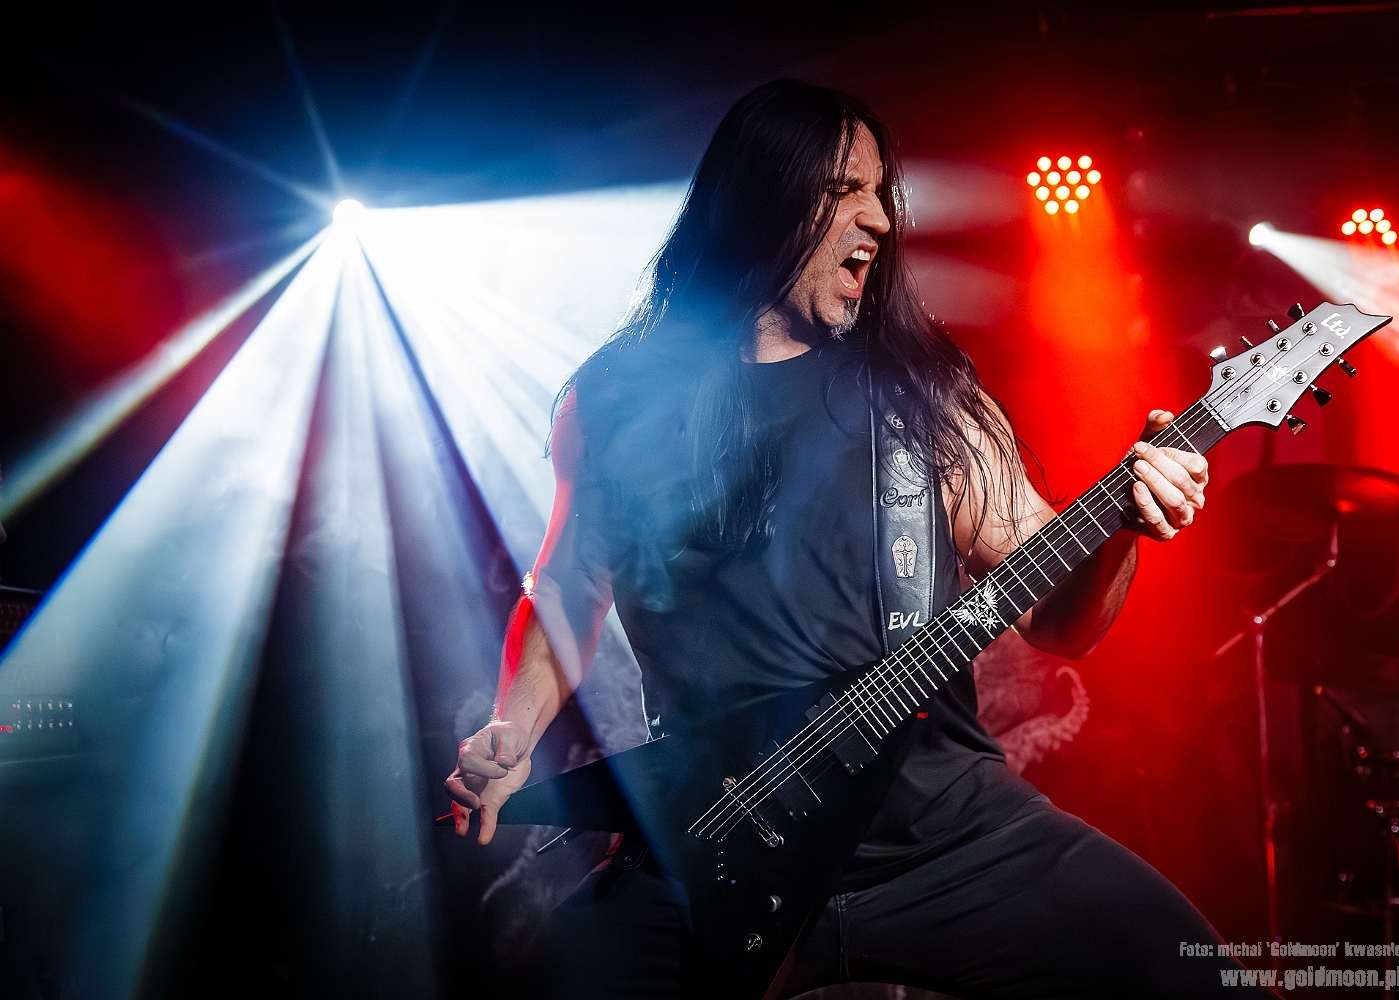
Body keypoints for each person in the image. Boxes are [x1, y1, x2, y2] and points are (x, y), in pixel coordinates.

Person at [447, 80, 1272, 999]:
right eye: (846, 190)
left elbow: (1057, 621)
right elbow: (567, 587)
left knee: (1193, 977)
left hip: (943, 837)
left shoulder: (925, 397)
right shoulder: (618, 398)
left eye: (882, 192)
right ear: (763, 197)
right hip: (720, 838)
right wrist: (513, 729)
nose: (880, 219)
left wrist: (1122, 528)